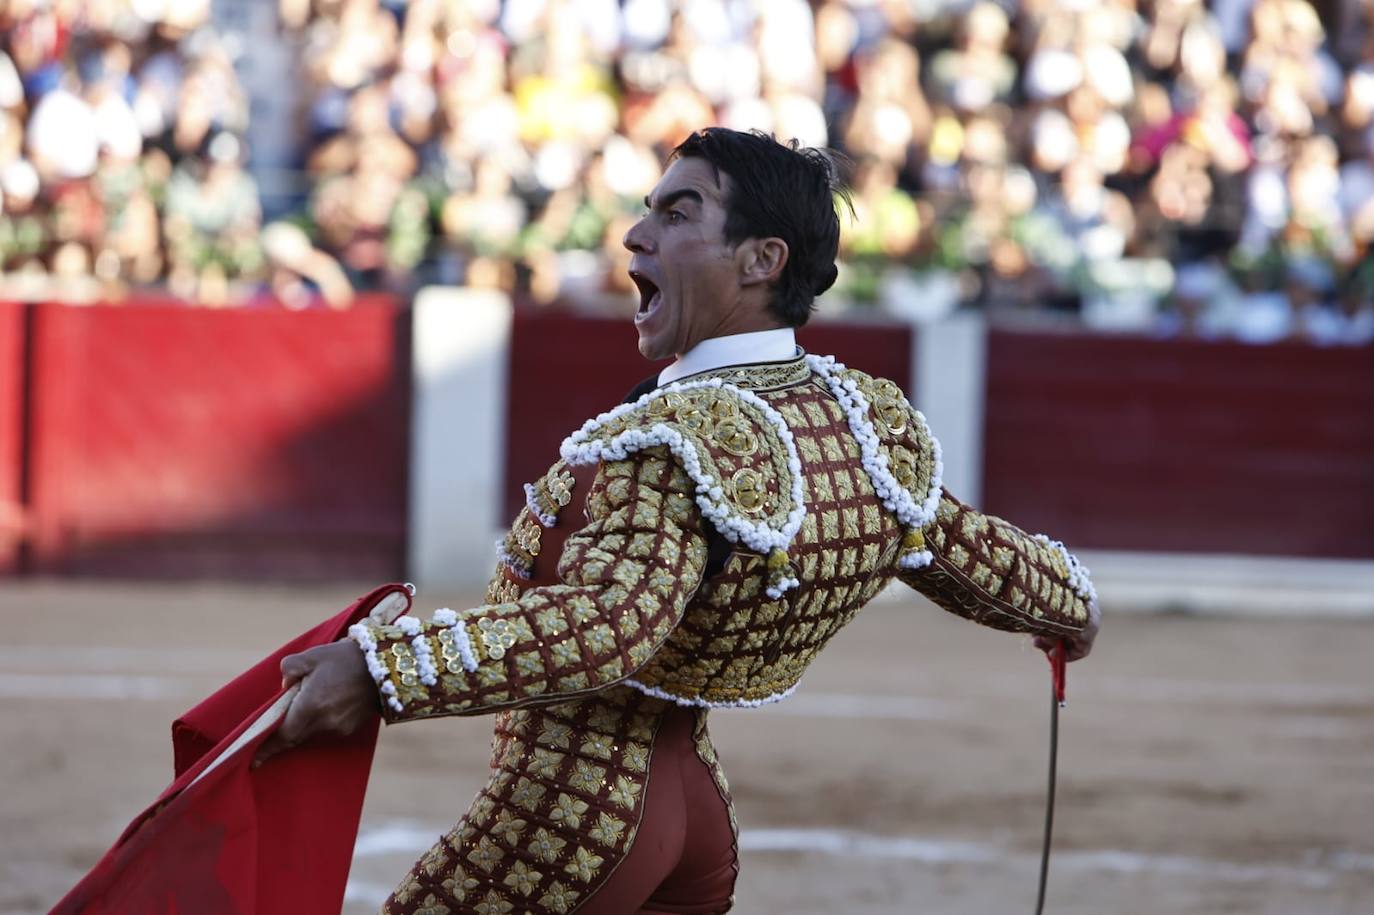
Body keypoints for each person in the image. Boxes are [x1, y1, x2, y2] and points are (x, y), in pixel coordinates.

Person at [256, 128, 1100, 914]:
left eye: (678, 212)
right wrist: (1071, 602)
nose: (634, 233)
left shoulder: (671, 438)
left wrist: (382, 670)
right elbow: (964, 549)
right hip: (695, 813)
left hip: (575, 810)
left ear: (761, 260)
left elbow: (609, 624)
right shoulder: (861, 420)